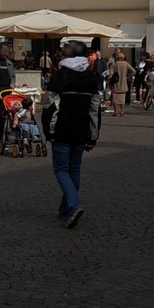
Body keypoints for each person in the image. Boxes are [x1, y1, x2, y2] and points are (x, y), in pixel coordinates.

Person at [41, 41, 101, 229]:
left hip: (62, 129)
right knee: (74, 169)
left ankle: (74, 204)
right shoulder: (91, 77)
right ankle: (65, 209)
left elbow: (50, 107)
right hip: (82, 130)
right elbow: (94, 109)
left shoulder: (59, 76)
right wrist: (93, 136)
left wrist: (48, 131)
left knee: (60, 169)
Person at [108, 51, 135, 117]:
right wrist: (128, 76)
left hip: (115, 82)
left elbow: (111, 74)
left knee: (115, 98)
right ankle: (122, 111)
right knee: (122, 98)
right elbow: (133, 71)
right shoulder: (126, 63)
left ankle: (115, 111)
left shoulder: (114, 64)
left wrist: (109, 81)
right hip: (123, 82)